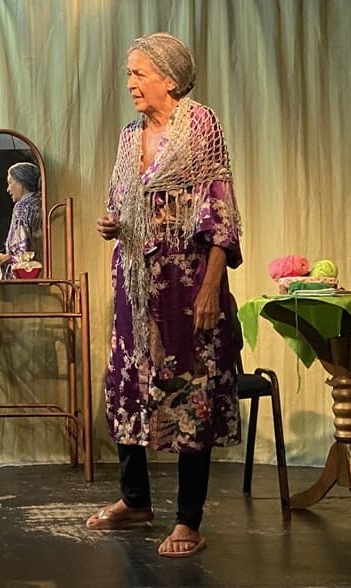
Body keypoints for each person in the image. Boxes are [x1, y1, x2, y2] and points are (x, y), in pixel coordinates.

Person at [88, 33, 242, 558]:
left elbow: (220, 210)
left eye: (139, 73)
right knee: (128, 381)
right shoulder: (129, 136)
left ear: (170, 80)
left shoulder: (199, 126)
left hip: (186, 282)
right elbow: (122, 201)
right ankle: (136, 500)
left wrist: (211, 287)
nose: (130, 83)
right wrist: (113, 223)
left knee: (190, 388)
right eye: (128, 73)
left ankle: (188, 520)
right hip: (135, 283)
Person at [0, 162, 43, 278]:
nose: (8, 189)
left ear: (21, 183)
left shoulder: (22, 207)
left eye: (10, 183)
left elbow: (22, 252)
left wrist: (5, 258)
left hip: (25, 276)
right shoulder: (40, 202)